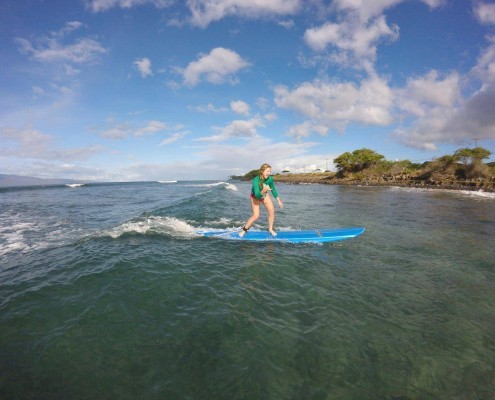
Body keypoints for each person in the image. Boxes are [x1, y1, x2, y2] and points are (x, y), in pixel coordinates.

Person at [239, 163, 283, 237]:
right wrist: (264, 190)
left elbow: (273, 190)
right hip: (255, 197)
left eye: (270, 171)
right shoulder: (256, 180)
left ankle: (270, 229)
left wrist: (279, 201)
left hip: (265, 195)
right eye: (267, 171)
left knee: (271, 211)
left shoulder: (270, 179)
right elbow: (257, 195)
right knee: (256, 215)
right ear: (262, 171)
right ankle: (244, 230)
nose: (269, 173)